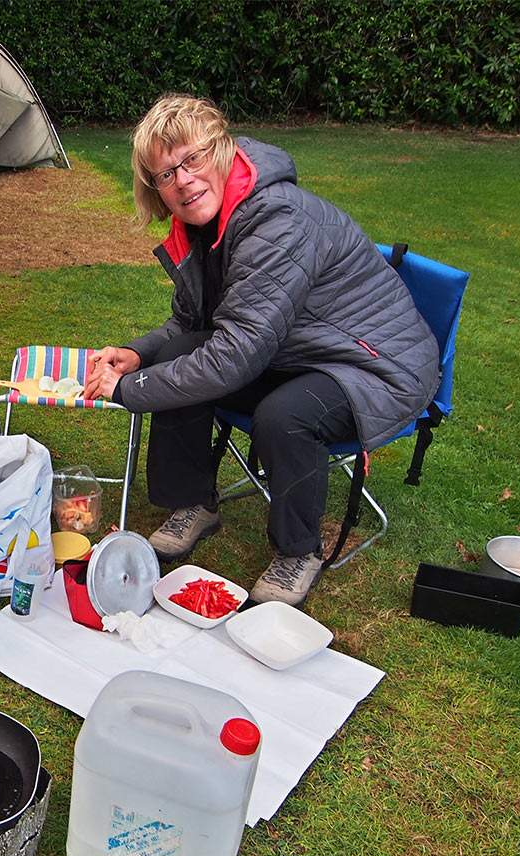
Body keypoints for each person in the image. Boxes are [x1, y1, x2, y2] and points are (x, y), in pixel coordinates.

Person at [83, 94, 440, 606]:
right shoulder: (201, 226)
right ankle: (193, 502)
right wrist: (137, 355)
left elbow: (235, 355)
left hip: (371, 364)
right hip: (295, 349)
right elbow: (191, 322)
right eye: (165, 174)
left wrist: (128, 389)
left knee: (285, 415)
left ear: (222, 151)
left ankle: (299, 552)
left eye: (192, 159)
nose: (183, 180)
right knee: (177, 351)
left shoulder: (277, 219)